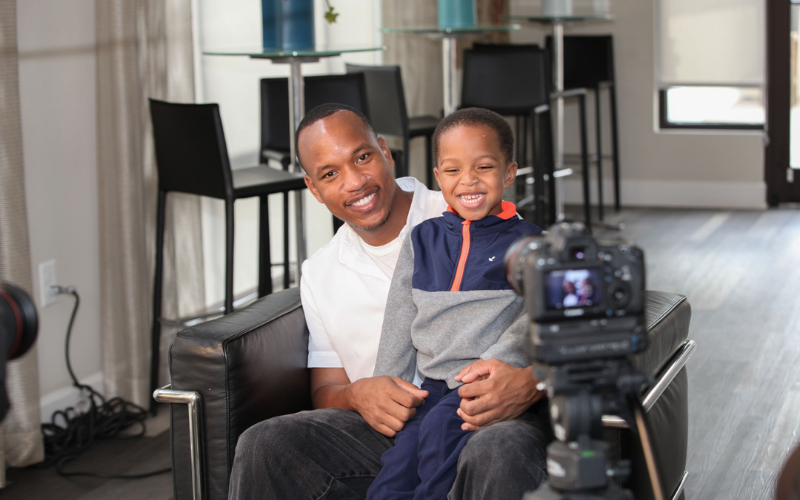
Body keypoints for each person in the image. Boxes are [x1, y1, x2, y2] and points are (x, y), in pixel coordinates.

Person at [228, 103, 551, 500]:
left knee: (496, 449)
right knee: (264, 443)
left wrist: (534, 380)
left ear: (385, 151)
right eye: (330, 174)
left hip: (487, 417)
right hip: (391, 433)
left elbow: (565, 316)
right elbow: (326, 388)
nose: (354, 182)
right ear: (314, 188)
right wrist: (357, 394)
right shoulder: (320, 272)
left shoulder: (465, 201)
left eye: (362, 157)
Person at [368, 108, 545, 499]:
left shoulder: (532, 244)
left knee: (438, 448)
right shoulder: (421, 239)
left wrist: (494, 364)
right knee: (394, 473)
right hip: (430, 391)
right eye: (453, 170)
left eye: (484, 167)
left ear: (509, 173)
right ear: (438, 177)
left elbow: (537, 319)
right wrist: (387, 382)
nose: (468, 180)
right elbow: (400, 315)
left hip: (482, 386)